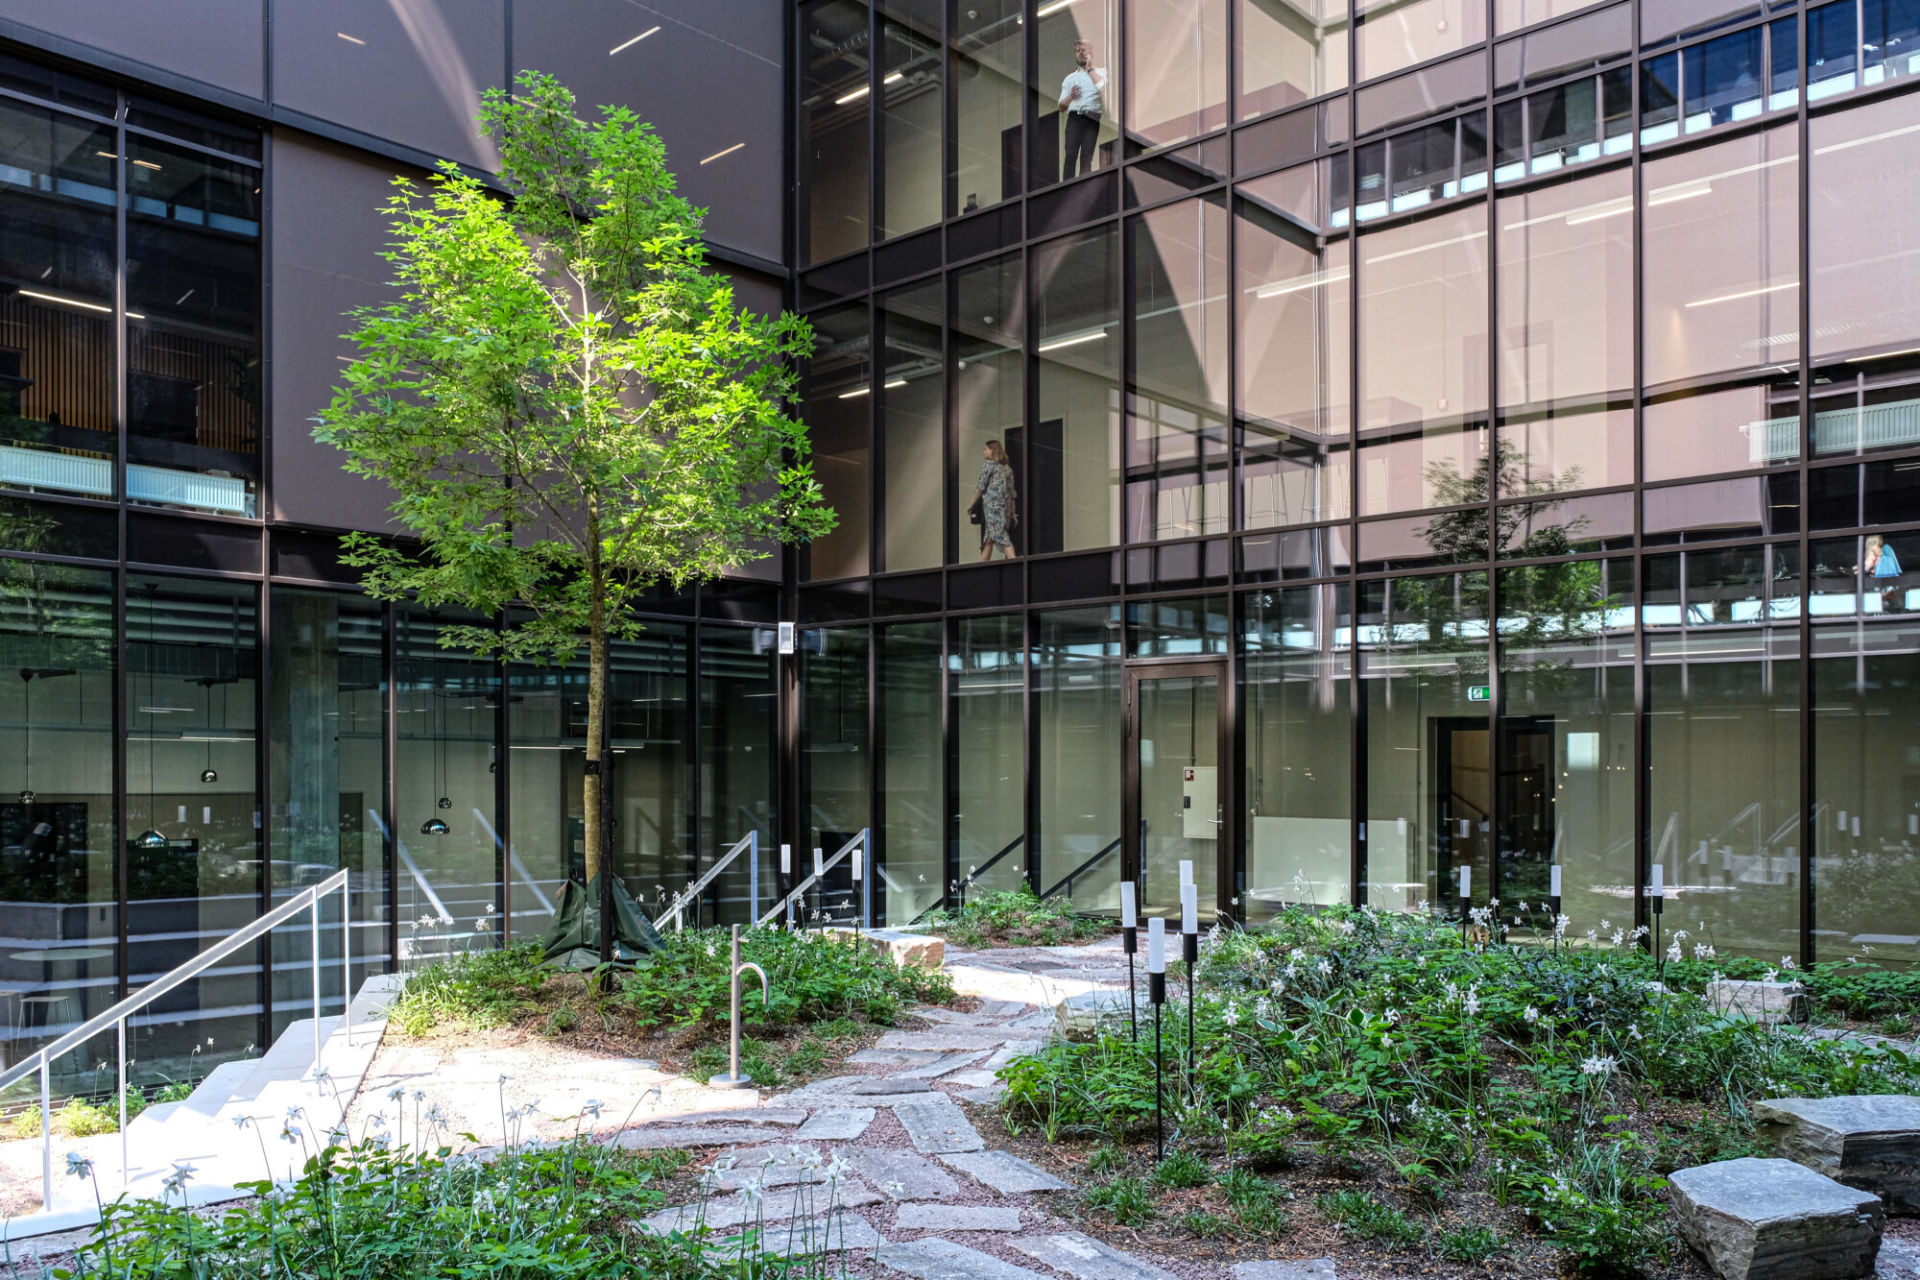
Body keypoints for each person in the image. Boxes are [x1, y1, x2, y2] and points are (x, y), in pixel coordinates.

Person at [1057, 40, 1106, 180]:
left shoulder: (1101, 73)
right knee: (1070, 155)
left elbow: (1104, 90)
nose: (1080, 53)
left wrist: (1090, 69)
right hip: (1075, 117)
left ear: (1091, 53)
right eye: (1077, 51)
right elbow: (1061, 106)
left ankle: (1083, 184)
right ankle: (1067, 187)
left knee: (1086, 157)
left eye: (1083, 50)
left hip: (1092, 117)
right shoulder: (1070, 78)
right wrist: (1071, 96)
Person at [969, 439, 1017, 561]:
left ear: (992, 451)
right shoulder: (1007, 469)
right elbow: (1012, 493)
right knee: (989, 539)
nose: (984, 451)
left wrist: (971, 504)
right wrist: (1012, 512)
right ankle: (982, 567)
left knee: (1001, 536)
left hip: (992, 508)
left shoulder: (989, 465)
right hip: (1004, 509)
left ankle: (1015, 562)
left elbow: (980, 487)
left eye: (986, 449)